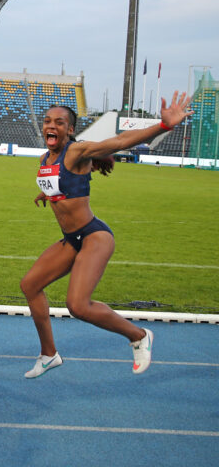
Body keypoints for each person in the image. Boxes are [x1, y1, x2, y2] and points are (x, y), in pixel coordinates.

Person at [21, 92, 193, 378]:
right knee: (30, 285)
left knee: (78, 305)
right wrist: (47, 192)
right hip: (72, 240)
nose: (52, 126)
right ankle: (49, 354)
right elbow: (64, 182)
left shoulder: (76, 150)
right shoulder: (45, 157)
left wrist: (163, 126)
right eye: (48, 121)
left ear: (70, 129)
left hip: (93, 236)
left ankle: (139, 336)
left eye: (60, 122)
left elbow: (118, 142)